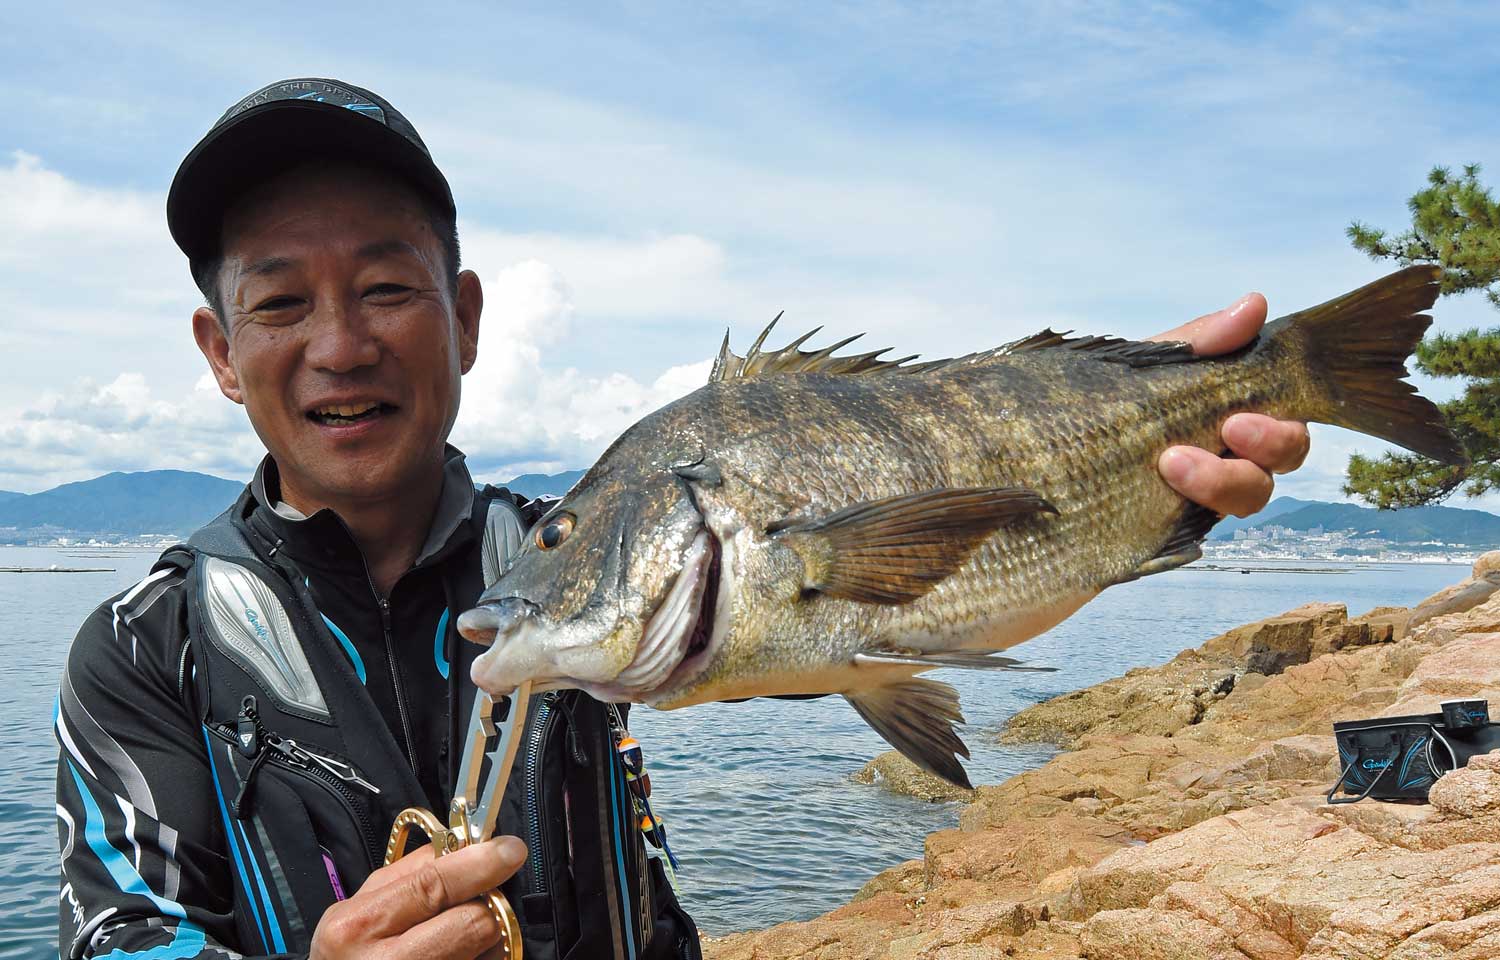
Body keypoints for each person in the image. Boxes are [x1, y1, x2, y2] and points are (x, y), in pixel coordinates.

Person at [54, 77, 1310, 960]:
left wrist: (1142, 471)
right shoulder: (141, 647)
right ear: (221, 353)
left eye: (387, 286)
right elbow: (114, 935)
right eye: (280, 305)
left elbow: (836, 626)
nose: (340, 343)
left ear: (470, 318)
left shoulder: (578, 549)